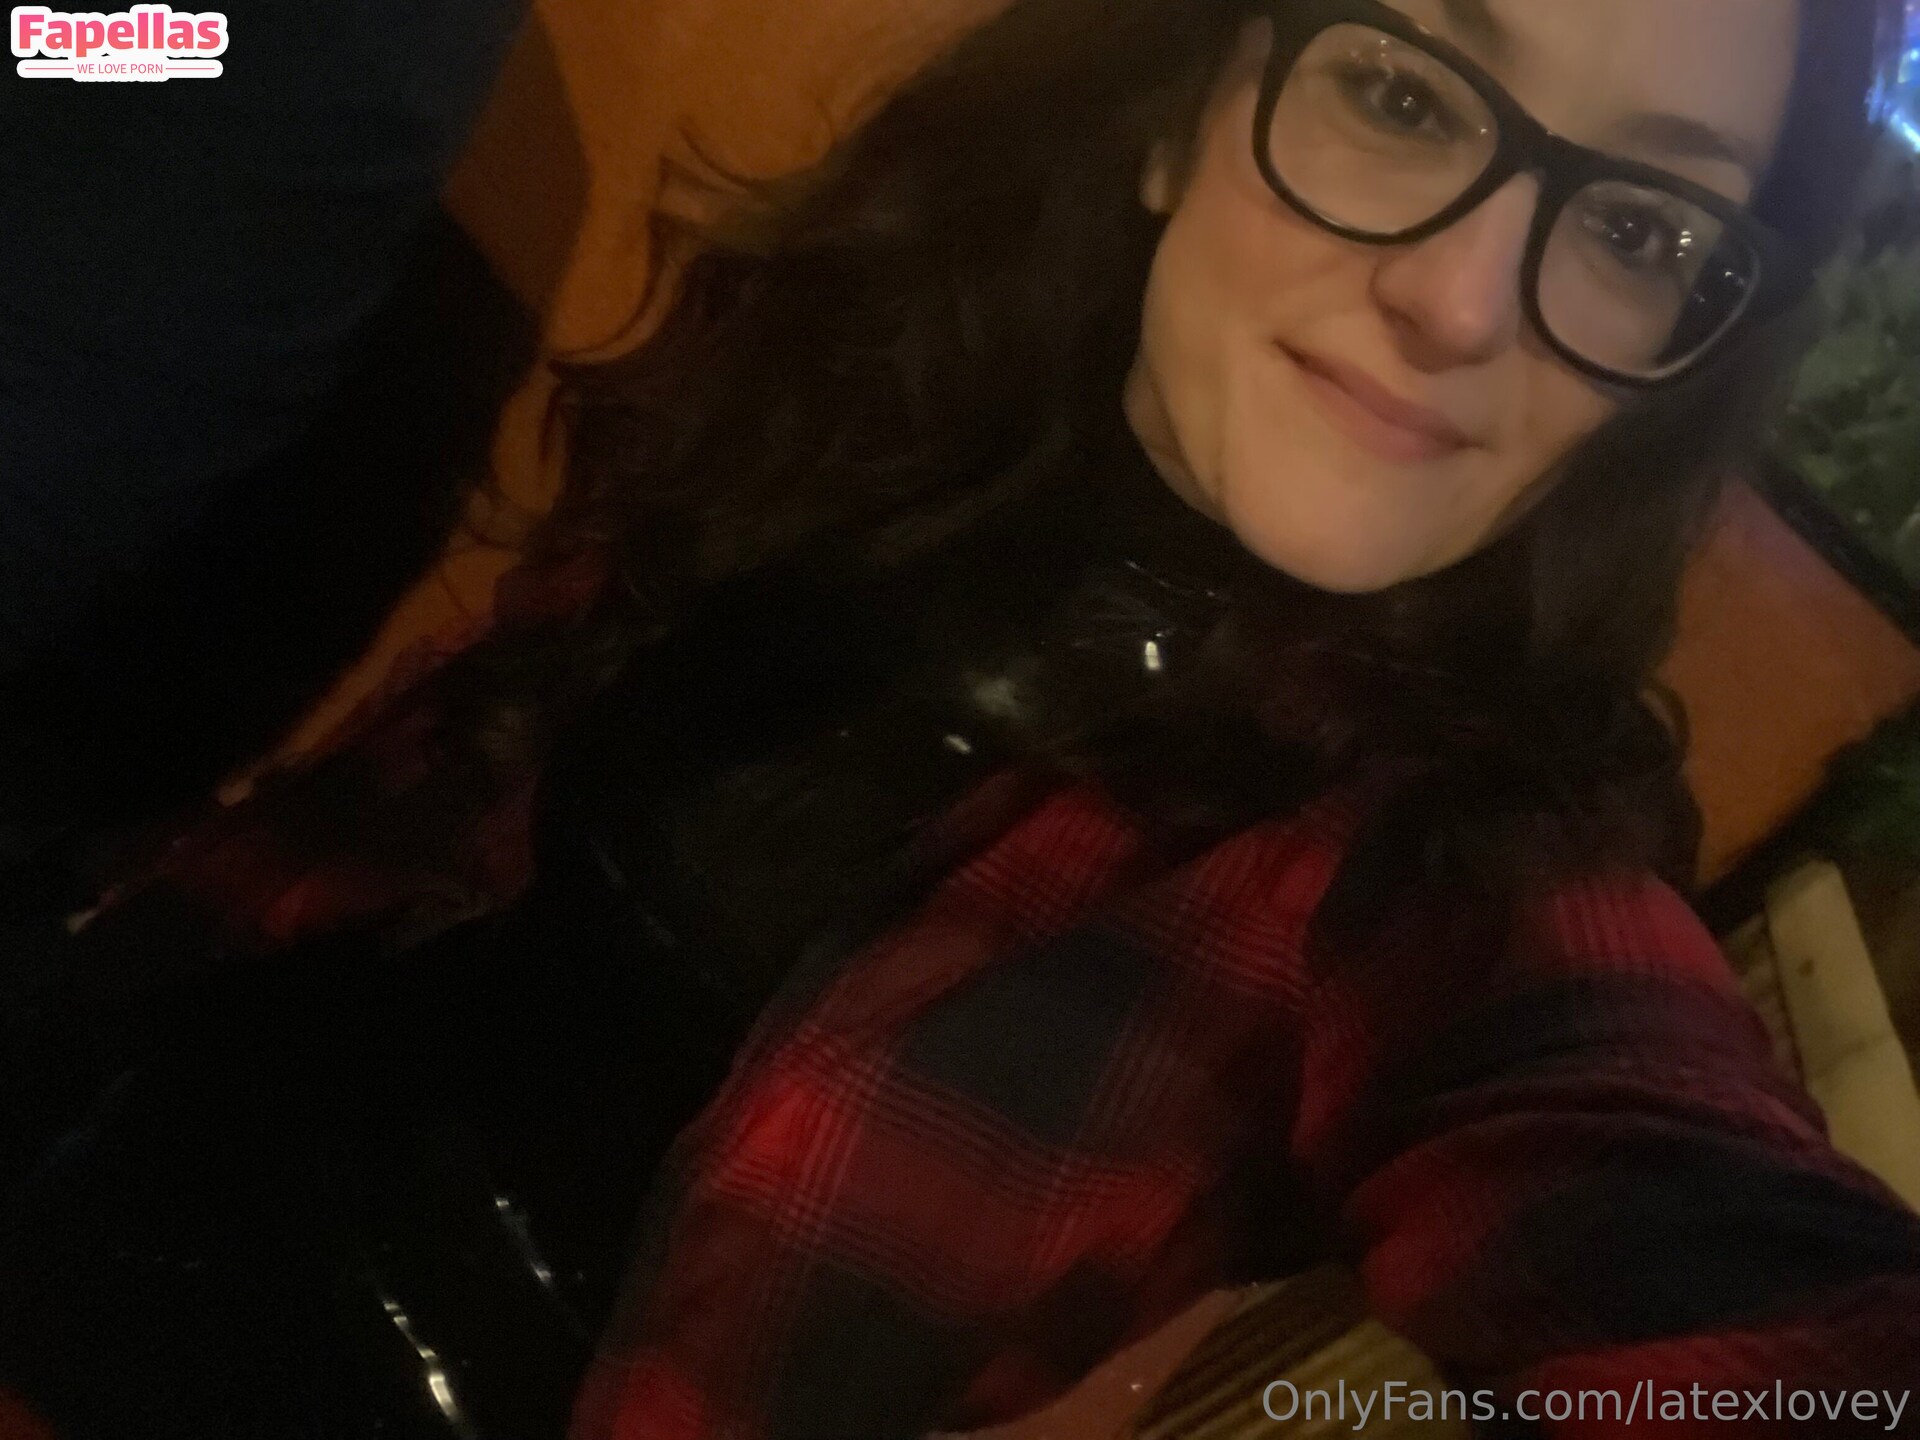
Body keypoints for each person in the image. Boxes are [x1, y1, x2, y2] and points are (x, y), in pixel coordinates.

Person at [3, 0, 1918, 1437]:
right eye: (1405, 97)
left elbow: (1766, 1315)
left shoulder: (1450, 874)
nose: (1464, 300)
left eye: (1642, 230)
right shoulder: (880, 384)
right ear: (1181, 107)